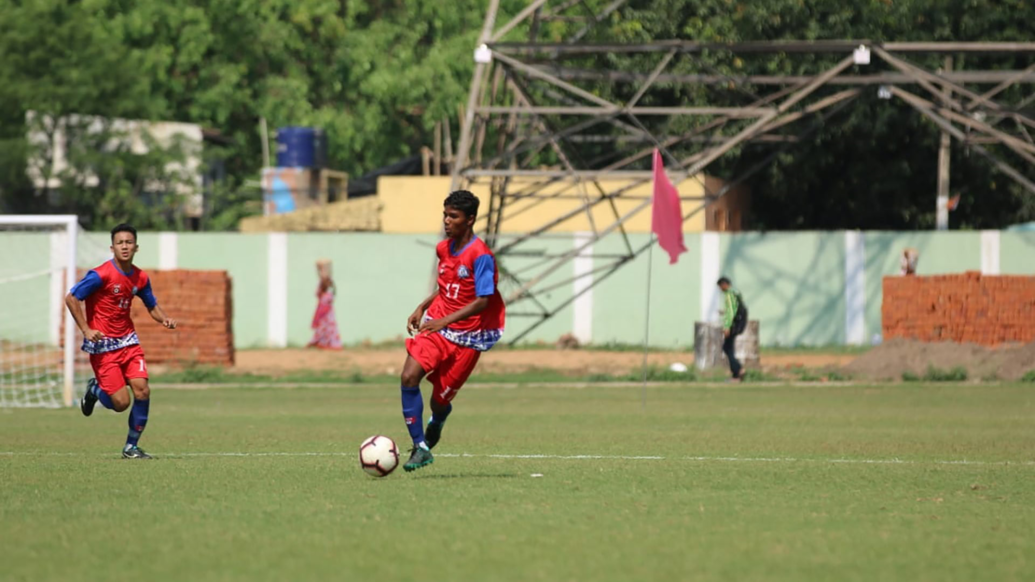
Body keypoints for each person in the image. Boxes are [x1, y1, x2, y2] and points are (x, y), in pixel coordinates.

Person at [398, 190, 506, 472]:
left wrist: (445, 322)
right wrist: (423, 307)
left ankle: (439, 419)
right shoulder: (443, 249)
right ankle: (420, 448)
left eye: (453, 216)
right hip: (437, 327)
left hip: (467, 339)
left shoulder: (481, 256)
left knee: (439, 400)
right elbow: (447, 286)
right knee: (409, 376)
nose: (447, 221)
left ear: (469, 219)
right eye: (445, 214)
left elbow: (483, 300)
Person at [65, 224, 177, 459]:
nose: (124, 247)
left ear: (136, 247)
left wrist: (164, 319)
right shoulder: (100, 275)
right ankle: (95, 389)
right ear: (112, 247)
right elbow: (72, 298)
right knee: (120, 403)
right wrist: (86, 329)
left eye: (128, 242)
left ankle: (131, 447)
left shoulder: (140, 277)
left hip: (129, 342)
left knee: (143, 391)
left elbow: (151, 305)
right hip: (103, 346)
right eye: (120, 243)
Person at [307, 259, 342, 350]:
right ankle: (322, 342)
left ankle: (327, 343)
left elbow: (328, 296)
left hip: (326, 309)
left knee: (325, 326)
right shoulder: (323, 282)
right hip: (324, 308)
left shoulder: (328, 283)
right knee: (323, 326)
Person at [717, 277, 747, 382]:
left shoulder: (729, 294)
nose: (720, 289)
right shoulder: (736, 293)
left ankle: (737, 372)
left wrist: (726, 326)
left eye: (720, 287)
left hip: (733, 324)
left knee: (727, 348)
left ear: (724, 284)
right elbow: (735, 308)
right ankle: (737, 372)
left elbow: (731, 311)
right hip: (739, 323)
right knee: (728, 348)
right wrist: (724, 312)